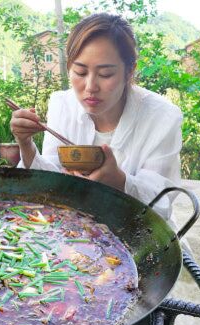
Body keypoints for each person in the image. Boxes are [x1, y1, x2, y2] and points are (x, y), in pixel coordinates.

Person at [11, 13, 183, 231]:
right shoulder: (62, 104)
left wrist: (119, 181)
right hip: (78, 228)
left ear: (129, 71)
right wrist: (26, 145)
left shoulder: (162, 117)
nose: (90, 86)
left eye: (106, 74)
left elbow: (162, 203)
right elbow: (50, 179)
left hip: (140, 233)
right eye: (80, 72)